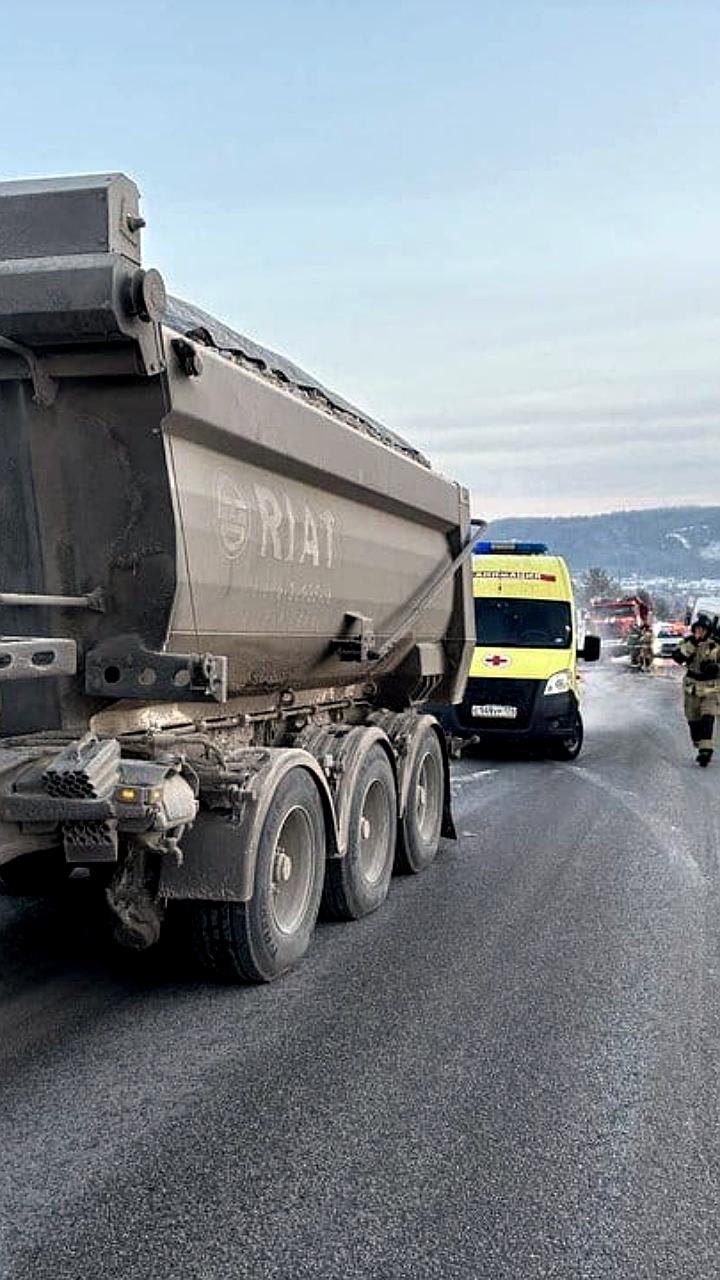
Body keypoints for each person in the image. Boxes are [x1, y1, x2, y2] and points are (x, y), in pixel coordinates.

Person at [672, 614, 720, 766]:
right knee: (693, 720)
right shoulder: (687, 642)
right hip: (691, 687)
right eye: (697, 629)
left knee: (708, 717)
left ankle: (706, 750)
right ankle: (699, 742)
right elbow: (678, 657)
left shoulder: (716, 645)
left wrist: (715, 668)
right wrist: (693, 643)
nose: (700, 632)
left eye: (703, 629)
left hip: (711, 687)